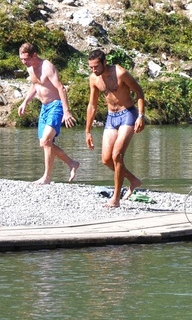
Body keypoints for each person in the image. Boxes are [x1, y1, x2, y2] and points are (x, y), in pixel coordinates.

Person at [85, 49, 146, 208]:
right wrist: (88, 131)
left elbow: (139, 91)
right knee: (106, 159)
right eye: (91, 67)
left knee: (117, 155)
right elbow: (92, 105)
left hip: (128, 114)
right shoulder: (94, 79)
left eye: (96, 66)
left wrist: (141, 116)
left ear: (104, 62)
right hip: (111, 118)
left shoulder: (120, 73)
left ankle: (116, 198)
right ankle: (133, 180)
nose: (94, 70)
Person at [17, 43, 79, 185]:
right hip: (44, 107)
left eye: (26, 59)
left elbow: (61, 88)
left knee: (46, 141)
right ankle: (72, 163)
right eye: (21, 59)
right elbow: (35, 85)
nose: (23, 62)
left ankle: (46, 177)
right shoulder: (29, 68)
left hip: (56, 105)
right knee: (44, 143)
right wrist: (25, 102)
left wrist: (66, 111)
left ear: (34, 55)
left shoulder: (47, 67)